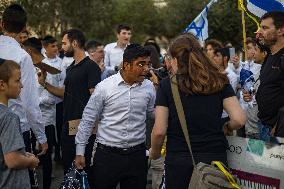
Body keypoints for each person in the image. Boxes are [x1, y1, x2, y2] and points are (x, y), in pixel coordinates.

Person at [150, 33, 246, 189]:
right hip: (214, 161)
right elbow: (240, 119)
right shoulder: (219, 80)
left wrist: (154, 153)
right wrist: (225, 127)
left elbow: (159, 130)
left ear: (175, 61)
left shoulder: (167, 86)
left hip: (179, 161)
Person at [75, 44, 156, 189]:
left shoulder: (149, 87)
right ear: (126, 65)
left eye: (148, 64)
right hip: (107, 157)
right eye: (141, 64)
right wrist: (80, 151)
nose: (146, 69)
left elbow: (152, 114)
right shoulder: (105, 87)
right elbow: (88, 119)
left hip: (137, 156)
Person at [38, 29, 101, 186]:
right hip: (67, 128)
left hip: (84, 131)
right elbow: (64, 94)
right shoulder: (71, 68)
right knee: (69, 173)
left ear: (75, 43)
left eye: (64, 43)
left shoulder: (91, 67)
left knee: (87, 174)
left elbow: (95, 99)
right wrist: (44, 84)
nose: (62, 47)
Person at [0, 4, 48, 187]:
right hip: (17, 128)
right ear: (23, 28)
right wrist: (41, 137)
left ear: (2, 23)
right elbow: (30, 102)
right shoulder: (22, 56)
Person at [0, 58, 40, 189]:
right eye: (17, 80)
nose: (21, 85)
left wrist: (22, 154)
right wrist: (31, 161)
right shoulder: (8, 117)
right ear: (2, 84)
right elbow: (12, 160)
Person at [244, 11, 284, 137]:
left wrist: (278, 127)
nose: (259, 32)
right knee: (255, 157)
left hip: (277, 131)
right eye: (260, 27)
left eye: (265, 28)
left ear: (281, 30)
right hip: (262, 126)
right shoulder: (269, 56)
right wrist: (255, 93)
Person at [244, 41, 269, 139]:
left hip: (261, 130)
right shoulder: (258, 73)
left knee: (260, 155)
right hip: (251, 129)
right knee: (252, 155)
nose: (253, 52)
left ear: (264, 54)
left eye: (256, 49)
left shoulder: (270, 75)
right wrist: (247, 96)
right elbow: (252, 96)